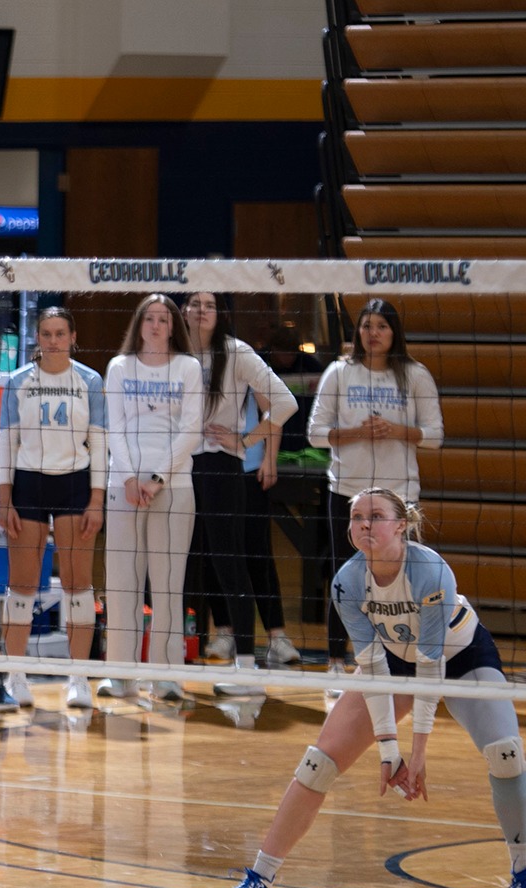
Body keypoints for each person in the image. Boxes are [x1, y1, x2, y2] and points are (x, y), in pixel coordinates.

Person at [218, 488, 526, 888]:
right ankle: (260, 878)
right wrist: (388, 751)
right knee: (317, 764)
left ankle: (523, 872)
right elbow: (375, 669)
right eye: (356, 516)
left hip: (460, 658)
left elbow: (431, 666)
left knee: (506, 754)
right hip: (393, 661)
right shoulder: (347, 581)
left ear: (400, 525)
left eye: (376, 516)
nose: (364, 524)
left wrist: (417, 754)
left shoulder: (429, 570)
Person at [308, 299, 443, 676]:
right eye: (367, 326)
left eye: (381, 326)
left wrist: (398, 431)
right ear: (358, 332)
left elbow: (435, 436)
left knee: (407, 580)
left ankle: (409, 661)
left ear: (394, 332)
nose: (373, 333)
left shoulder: (414, 375)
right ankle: (337, 660)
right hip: (348, 493)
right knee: (344, 577)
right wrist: (357, 433)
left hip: (400, 496)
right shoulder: (339, 372)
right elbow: (316, 434)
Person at [180, 292, 298, 695]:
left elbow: (284, 403)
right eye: (194, 303)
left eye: (208, 304)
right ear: (183, 311)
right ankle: (165, 667)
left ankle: (246, 668)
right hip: (176, 470)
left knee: (230, 563)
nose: (200, 310)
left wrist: (247, 440)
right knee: (176, 564)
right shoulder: (172, 353)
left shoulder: (236, 351)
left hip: (219, 467)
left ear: (220, 313)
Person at [0, 307, 105, 710]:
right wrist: (3, 498)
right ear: (37, 337)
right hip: (28, 483)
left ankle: (78, 679)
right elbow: (7, 442)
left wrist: (97, 500)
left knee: (79, 583)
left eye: (61, 333)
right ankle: (16, 675)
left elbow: (100, 444)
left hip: (75, 484)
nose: (54, 340)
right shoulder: (18, 382)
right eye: (47, 333)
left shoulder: (90, 381)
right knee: (22, 584)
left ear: (73, 337)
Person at [98, 295, 203, 703]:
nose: (157, 326)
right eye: (150, 319)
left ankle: (166, 676)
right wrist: (128, 477)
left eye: (164, 319)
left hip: (173, 488)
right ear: (139, 325)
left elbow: (191, 429)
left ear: (174, 326)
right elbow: (115, 428)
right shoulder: (120, 367)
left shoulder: (188, 367)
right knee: (122, 583)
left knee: (167, 585)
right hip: (123, 486)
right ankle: (119, 675)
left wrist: (158, 478)